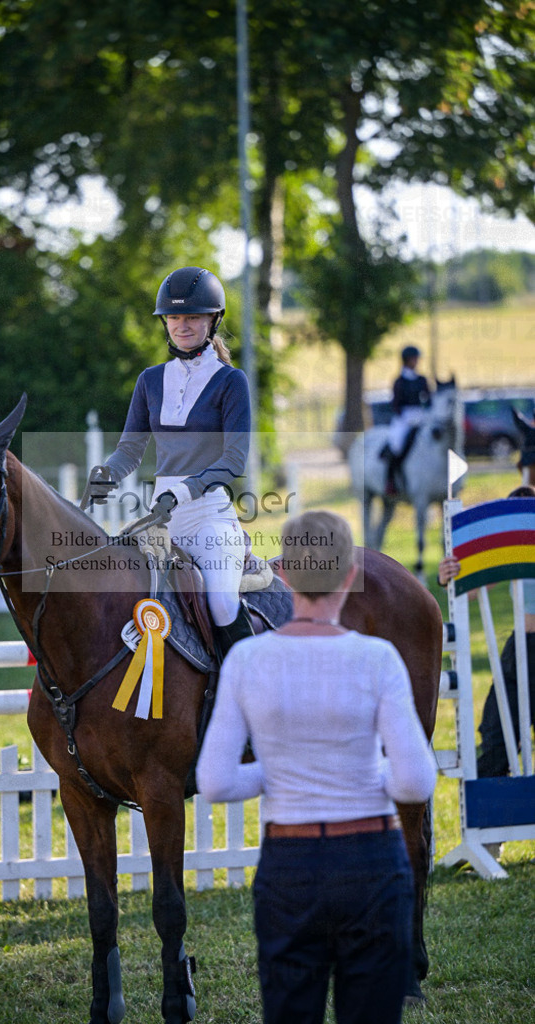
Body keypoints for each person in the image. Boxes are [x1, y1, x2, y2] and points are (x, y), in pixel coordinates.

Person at [196, 510, 436, 1024]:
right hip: (371, 858)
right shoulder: (379, 659)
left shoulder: (245, 661)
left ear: (282, 574)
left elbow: (213, 783)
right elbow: (416, 780)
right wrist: (360, 772)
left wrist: (280, 771)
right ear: (350, 577)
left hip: (290, 864)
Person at [84, 265, 254, 660]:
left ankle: (250, 688)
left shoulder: (231, 382)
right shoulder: (150, 380)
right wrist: (107, 473)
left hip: (208, 516)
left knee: (223, 604)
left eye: (193, 317)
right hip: (160, 519)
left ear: (213, 321)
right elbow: (130, 450)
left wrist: (184, 489)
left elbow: (234, 459)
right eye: (174, 317)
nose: (182, 325)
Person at [438, 485, 535, 778]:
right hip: (522, 648)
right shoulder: (509, 547)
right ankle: (496, 803)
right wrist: (448, 577)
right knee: (495, 734)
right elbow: (470, 590)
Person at [382, 345, 431, 495]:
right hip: (404, 417)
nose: (416, 361)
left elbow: (429, 400)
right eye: (413, 359)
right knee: (396, 445)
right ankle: (390, 481)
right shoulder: (399, 382)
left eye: (416, 358)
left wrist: (425, 412)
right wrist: (405, 416)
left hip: (421, 416)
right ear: (406, 360)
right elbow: (395, 404)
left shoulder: (422, 380)